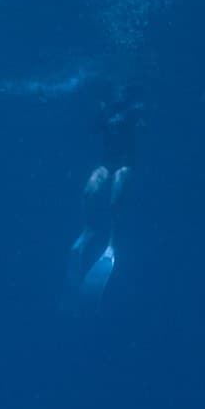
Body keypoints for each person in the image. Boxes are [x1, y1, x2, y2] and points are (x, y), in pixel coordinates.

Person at [67, 77, 140, 299]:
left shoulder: (134, 111)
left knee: (115, 197)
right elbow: (92, 129)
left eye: (123, 92)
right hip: (106, 162)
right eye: (116, 91)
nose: (119, 95)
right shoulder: (107, 111)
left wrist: (136, 116)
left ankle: (112, 243)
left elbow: (145, 127)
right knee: (89, 190)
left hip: (126, 163)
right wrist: (103, 111)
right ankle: (89, 229)